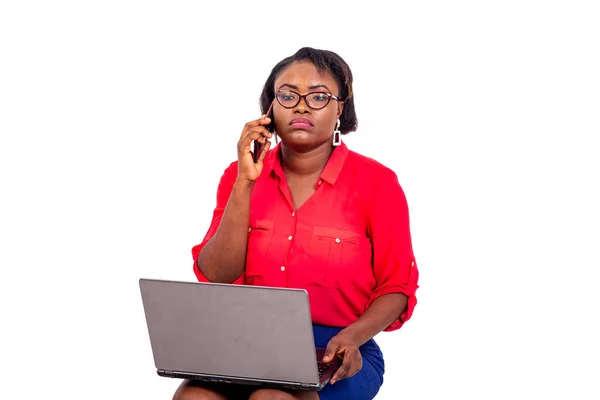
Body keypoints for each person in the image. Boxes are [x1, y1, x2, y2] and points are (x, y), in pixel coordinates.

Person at [173, 47, 419, 400]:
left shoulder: (378, 184)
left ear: (340, 108)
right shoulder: (239, 176)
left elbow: (396, 286)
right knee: (194, 396)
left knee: (271, 398)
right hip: (249, 344)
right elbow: (217, 273)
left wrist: (352, 337)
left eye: (318, 96)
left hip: (337, 347)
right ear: (270, 108)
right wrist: (245, 182)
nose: (301, 106)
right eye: (287, 95)